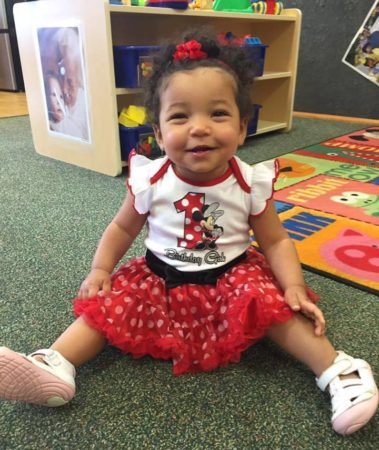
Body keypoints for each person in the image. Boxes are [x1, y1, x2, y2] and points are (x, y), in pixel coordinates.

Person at [0, 31, 377, 435]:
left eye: (217, 114)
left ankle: (337, 369)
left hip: (233, 275)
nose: (199, 128)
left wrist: (294, 285)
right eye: (180, 116)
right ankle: (55, 363)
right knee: (107, 309)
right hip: (159, 273)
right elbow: (122, 226)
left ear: (243, 127)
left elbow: (275, 240)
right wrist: (100, 268)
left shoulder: (250, 182)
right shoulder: (151, 179)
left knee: (274, 310)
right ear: (159, 135)